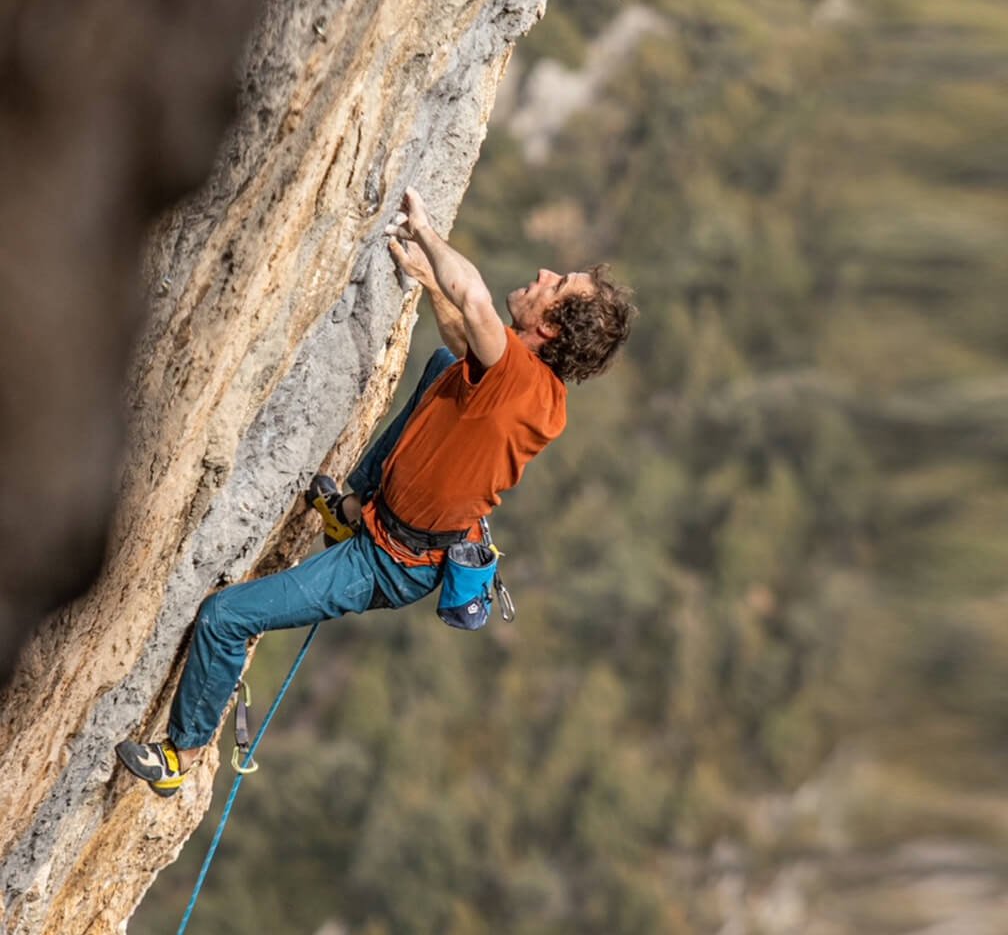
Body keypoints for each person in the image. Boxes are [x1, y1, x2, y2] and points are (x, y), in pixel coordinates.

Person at [116, 189, 635, 796]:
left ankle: (182, 753)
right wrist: (424, 279)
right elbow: (467, 334)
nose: (545, 273)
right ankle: (346, 510)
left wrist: (427, 232)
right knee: (445, 361)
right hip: (396, 523)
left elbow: (474, 299)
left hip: (388, 563)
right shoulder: (524, 384)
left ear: (548, 325)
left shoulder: (520, 384)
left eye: (558, 283)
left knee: (224, 617)